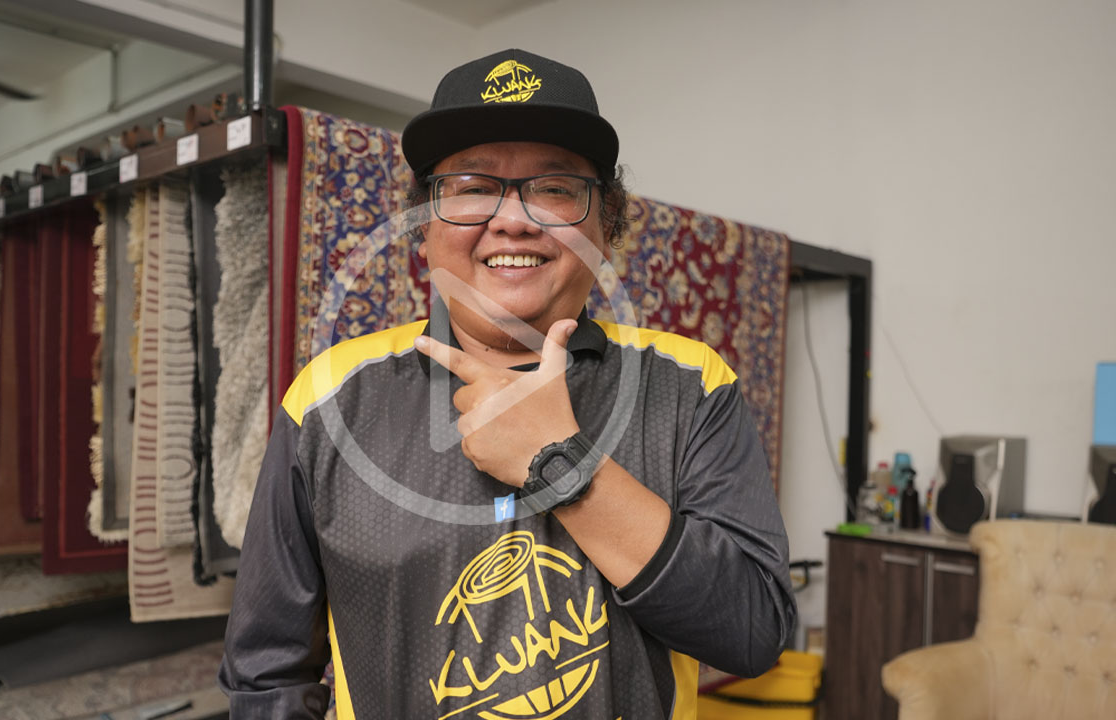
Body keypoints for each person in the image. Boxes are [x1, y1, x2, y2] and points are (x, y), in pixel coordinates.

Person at [219, 48, 794, 719]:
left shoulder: (690, 387)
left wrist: (562, 461)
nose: (513, 219)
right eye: (471, 187)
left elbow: (752, 632)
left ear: (607, 226)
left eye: (554, 188)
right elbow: (266, 674)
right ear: (423, 229)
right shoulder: (328, 401)